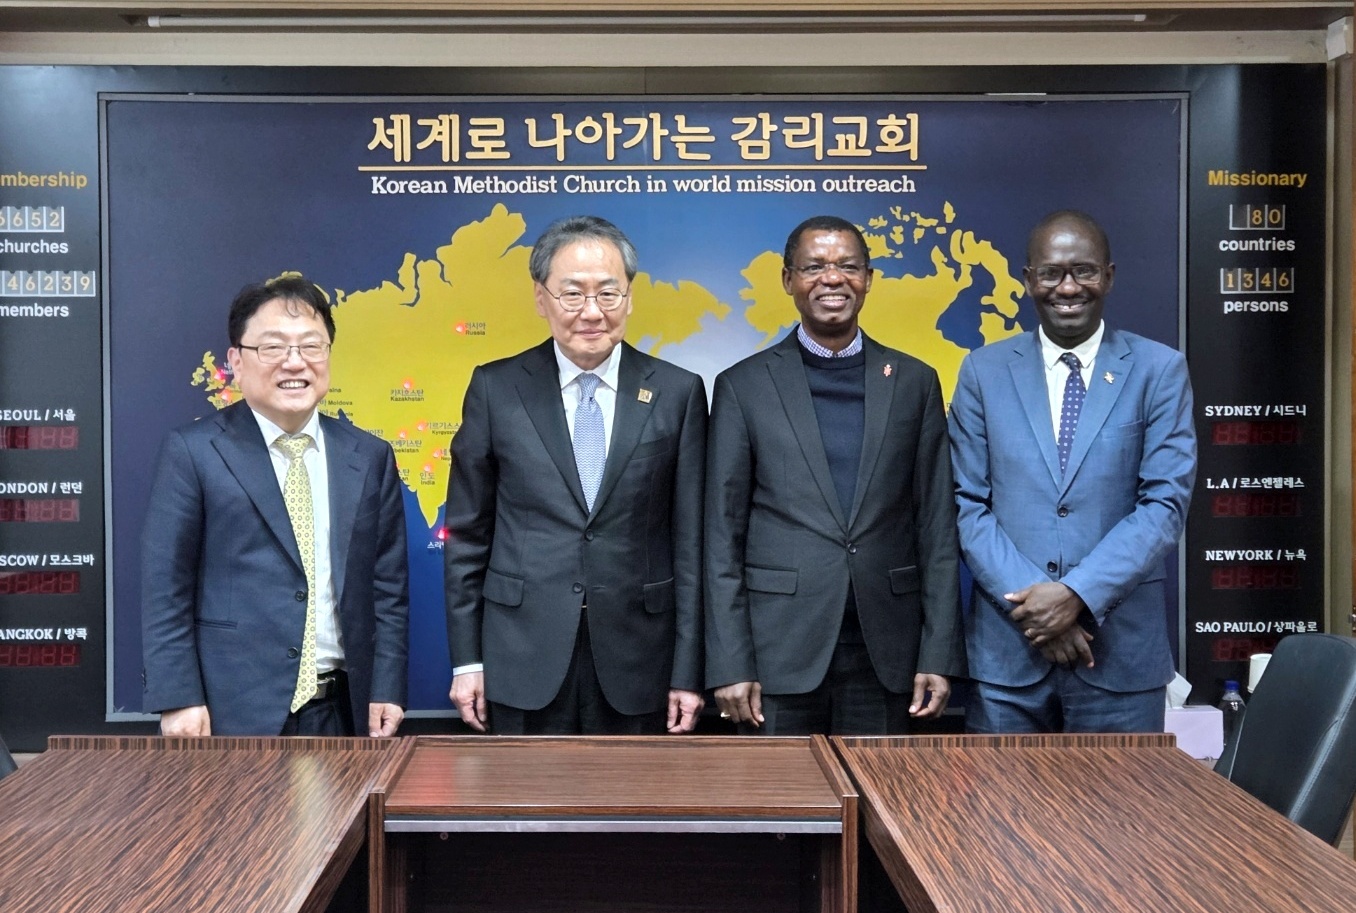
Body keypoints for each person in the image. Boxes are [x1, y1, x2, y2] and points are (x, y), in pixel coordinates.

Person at [444, 215, 706, 735]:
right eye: (572, 294)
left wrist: (688, 670)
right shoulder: (496, 389)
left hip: (641, 658)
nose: (592, 311)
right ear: (541, 299)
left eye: (608, 293)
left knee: (633, 791)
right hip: (521, 653)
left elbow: (691, 544)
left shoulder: (678, 393)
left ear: (629, 298)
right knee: (527, 791)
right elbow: (467, 537)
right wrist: (467, 660)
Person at [704, 215, 963, 735]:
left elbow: (936, 527)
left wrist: (939, 653)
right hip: (778, 651)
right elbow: (721, 536)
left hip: (888, 650)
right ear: (788, 280)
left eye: (847, 266)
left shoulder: (914, 382)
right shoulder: (743, 386)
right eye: (814, 267)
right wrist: (730, 662)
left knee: (879, 788)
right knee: (782, 790)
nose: (832, 278)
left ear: (868, 279)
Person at [948, 210, 1196, 733]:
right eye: (1051, 273)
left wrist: (1077, 596)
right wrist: (1039, 610)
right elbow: (966, 504)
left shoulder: (1159, 370)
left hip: (1120, 658)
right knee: (996, 794)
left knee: (1121, 795)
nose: (1067, 287)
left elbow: (1164, 505)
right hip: (1008, 659)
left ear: (1109, 276)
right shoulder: (982, 372)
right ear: (1027, 279)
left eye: (1083, 271)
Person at [142, 276, 410, 737]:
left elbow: (388, 588)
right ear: (236, 361)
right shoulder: (194, 451)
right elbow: (165, 587)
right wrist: (178, 697)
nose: (295, 361)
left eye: (311, 345)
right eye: (273, 347)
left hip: (342, 710)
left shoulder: (369, 456)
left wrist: (386, 687)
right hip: (230, 713)